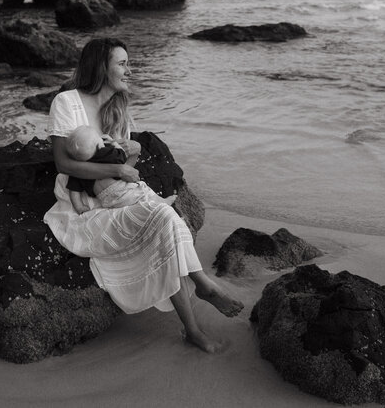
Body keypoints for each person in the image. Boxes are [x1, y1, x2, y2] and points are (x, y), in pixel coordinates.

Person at [43, 37, 243, 353]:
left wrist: (124, 161)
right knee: (166, 218)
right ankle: (202, 288)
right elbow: (64, 162)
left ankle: (193, 327)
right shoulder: (68, 102)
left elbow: (123, 161)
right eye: (122, 63)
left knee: (170, 224)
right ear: (101, 67)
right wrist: (119, 170)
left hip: (122, 190)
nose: (129, 70)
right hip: (84, 199)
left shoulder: (118, 107)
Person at [63, 125, 175, 213]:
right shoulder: (105, 153)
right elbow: (122, 159)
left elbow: (74, 191)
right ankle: (163, 203)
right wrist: (114, 143)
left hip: (105, 200)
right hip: (122, 191)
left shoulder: (79, 171)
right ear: (98, 145)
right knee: (144, 191)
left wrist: (79, 207)